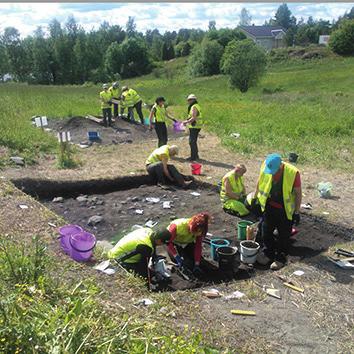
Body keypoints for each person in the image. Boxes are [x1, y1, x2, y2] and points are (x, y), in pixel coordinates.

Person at [255, 153, 302, 271]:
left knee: (283, 235)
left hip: (284, 210)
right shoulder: (266, 166)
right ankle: (268, 253)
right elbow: (260, 181)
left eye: (274, 171)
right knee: (266, 231)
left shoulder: (292, 173)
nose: (272, 173)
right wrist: (256, 198)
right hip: (269, 206)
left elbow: (298, 193)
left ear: (281, 165)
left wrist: (296, 212)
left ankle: (280, 258)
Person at [107, 227, 172, 278]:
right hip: (117, 260)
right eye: (164, 243)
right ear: (159, 240)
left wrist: (155, 257)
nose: (163, 245)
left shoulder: (148, 231)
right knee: (143, 275)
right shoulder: (146, 247)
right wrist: (154, 274)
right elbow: (143, 266)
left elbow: (154, 245)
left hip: (115, 251)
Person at [167, 213, 210, 277]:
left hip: (187, 242)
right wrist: (176, 256)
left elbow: (198, 246)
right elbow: (168, 242)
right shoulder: (176, 226)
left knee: (197, 260)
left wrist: (197, 264)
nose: (196, 234)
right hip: (174, 243)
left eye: (199, 232)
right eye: (195, 232)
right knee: (184, 262)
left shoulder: (200, 229)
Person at [183, 94, 204, 161]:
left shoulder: (194, 106)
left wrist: (186, 122)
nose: (188, 101)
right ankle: (196, 156)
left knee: (192, 142)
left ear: (193, 100)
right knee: (193, 141)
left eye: (189, 100)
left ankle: (193, 157)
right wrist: (187, 120)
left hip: (195, 126)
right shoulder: (196, 106)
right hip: (196, 125)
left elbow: (194, 117)